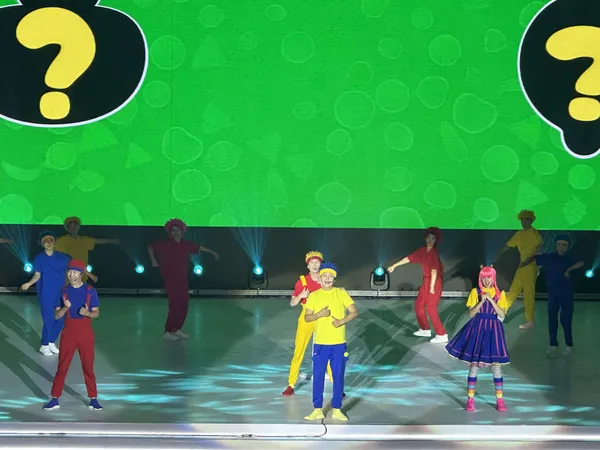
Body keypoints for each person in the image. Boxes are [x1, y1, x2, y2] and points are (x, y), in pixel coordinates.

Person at [20, 231, 97, 356]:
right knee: (49, 319)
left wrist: (91, 275)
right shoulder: (39, 258)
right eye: (46, 241)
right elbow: (37, 275)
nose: (48, 243)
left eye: (51, 240)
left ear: (54, 242)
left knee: (60, 318)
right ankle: (44, 345)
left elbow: (77, 265)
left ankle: (51, 341)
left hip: (61, 293)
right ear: (42, 243)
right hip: (45, 293)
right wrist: (29, 283)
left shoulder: (63, 257)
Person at [445, 266, 510, 412]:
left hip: (493, 330)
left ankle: (500, 400)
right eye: (484, 278)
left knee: (496, 366)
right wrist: (481, 301)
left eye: (489, 277)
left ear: (493, 278)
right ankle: (470, 399)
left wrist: (491, 300)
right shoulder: (475, 292)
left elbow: (502, 314)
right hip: (478, 328)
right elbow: (471, 314)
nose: (487, 280)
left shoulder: (500, 294)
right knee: (474, 365)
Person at [43, 260, 102, 411]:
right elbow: (57, 315)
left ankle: (93, 398)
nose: (71, 275)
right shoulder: (63, 291)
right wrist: (64, 308)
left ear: (81, 274)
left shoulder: (90, 291)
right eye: (69, 272)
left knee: (88, 366)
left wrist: (87, 313)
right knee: (62, 366)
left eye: (75, 272)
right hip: (68, 332)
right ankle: (55, 398)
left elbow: (96, 313)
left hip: (85, 333)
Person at [148, 218, 219, 340]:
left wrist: (213, 252)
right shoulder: (165, 244)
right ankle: (167, 332)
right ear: (170, 233)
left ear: (182, 232)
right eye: (173, 230)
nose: (176, 232)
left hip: (182, 280)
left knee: (184, 305)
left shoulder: (185, 244)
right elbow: (150, 246)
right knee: (175, 305)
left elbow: (199, 247)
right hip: (171, 279)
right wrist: (153, 260)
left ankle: (176, 329)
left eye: (178, 230)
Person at [303, 263, 358, 422]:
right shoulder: (314, 296)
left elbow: (354, 312)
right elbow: (307, 317)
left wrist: (341, 321)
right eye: (325, 276)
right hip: (320, 343)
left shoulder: (341, 294)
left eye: (330, 276)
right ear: (320, 278)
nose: (327, 279)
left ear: (334, 279)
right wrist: (319, 314)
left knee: (338, 376)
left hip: (338, 343)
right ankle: (317, 409)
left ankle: (337, 409)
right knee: (318, 376)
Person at [522, 234, 583, 357]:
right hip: (553, 293)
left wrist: (569, 270)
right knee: (552, 319)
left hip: (566, 293)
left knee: (566, 319)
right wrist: (524, 263)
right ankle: (553, 344)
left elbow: (581, 262)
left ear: (567, 246)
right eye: (559, 244)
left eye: (564, 245)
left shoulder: (570, 257)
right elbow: (535, 257)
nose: (561, 247)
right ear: (556, 245)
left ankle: (569, 345)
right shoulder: (550, 257)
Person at [282, 251, 334, 396]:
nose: (315, 265)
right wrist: (301, 295)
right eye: (312, 263)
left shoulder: (326, 280)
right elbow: (292, 303)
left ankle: (336, 384)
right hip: (307, 317)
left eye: (317, 262)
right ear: (308, 265)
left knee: (327, 350)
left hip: (323, 317)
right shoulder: (302, 281)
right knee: (299, 350)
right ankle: (291, 384)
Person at [388, 227, 447, 343]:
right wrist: (394, 265)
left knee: (430, 308)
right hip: (427, 280)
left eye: (433, 238)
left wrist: (431, 287)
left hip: (434, 281)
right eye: (428, 238)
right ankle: (425, 329)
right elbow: (409, 258)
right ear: (425, 238)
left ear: (436, 240)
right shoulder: (422, 251)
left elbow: (434, 271)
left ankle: (442, 334)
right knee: (419, 305)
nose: (430, 240)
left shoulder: (433, 253)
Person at [497, 210, 543, 329]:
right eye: (522, 220)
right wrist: (499, 254)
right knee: (513, 291)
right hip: (522, 266)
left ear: (531, 220)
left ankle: (530, 321)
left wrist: (528, 260)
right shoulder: (519, 234)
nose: (523, 222)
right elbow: (508, 245)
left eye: (526, 220)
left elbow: (539, 247)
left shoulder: (535, 234)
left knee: (528, 294)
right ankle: (501, 313)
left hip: (530, 266)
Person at [55, 216, 120, 281]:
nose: (73, 226)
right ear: (67, 227)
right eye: (71, 224)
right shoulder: (62, 241)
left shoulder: (84, 240)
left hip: (82, 277)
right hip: (67, 277)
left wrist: (113, 241)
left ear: (78, 226)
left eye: (75, 224)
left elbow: (97, 241)